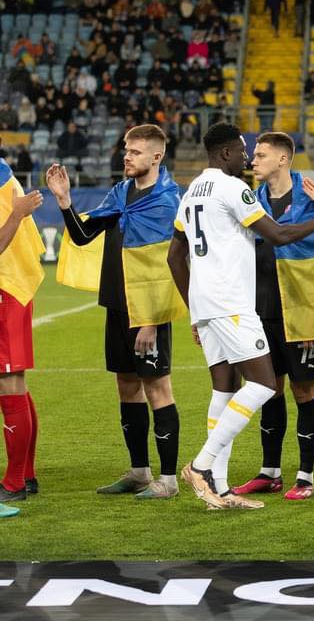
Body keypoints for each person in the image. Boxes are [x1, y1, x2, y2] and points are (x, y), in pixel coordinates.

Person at [169, 122, 314, 510]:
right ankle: (202, 465)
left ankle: (220, 489)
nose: (246, 159)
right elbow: (277, 235)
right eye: (243, 151)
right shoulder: (234, 189)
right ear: (225, 153)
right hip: (232, 303)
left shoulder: (191, 191)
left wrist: (196, 310)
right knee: (264, 383)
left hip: (207, 306)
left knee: (224, 390)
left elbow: (174, 257)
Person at [51, 125, 184, 500]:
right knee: (126, 385)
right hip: (117, 304)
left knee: (157, 388)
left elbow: (169, 265)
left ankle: (169, 480)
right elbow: (82, 237)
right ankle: (140, 472)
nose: (127, 156)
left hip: (148, 312)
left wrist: (152, 320)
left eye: (135, 152)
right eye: (126, 150)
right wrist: (64, 200)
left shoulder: (168, 201)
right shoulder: (120, 194)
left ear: (156, 157)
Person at [230, 132, 314, 501]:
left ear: (283, 159)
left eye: (260, 155)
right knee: (267, 389)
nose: (252, 160)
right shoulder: (249, 201)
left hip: (300, 311)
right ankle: (269, 472)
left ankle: (305, 476)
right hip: (259, 312)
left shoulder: (310, 200)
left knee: (304, 390)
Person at [0, 154, 43, 517]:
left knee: (9, 382)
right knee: (16, 382)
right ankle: (25, 475)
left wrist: (15, 215)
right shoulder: (4, 174)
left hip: (6, 288)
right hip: (14, 285)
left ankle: (13, 483)